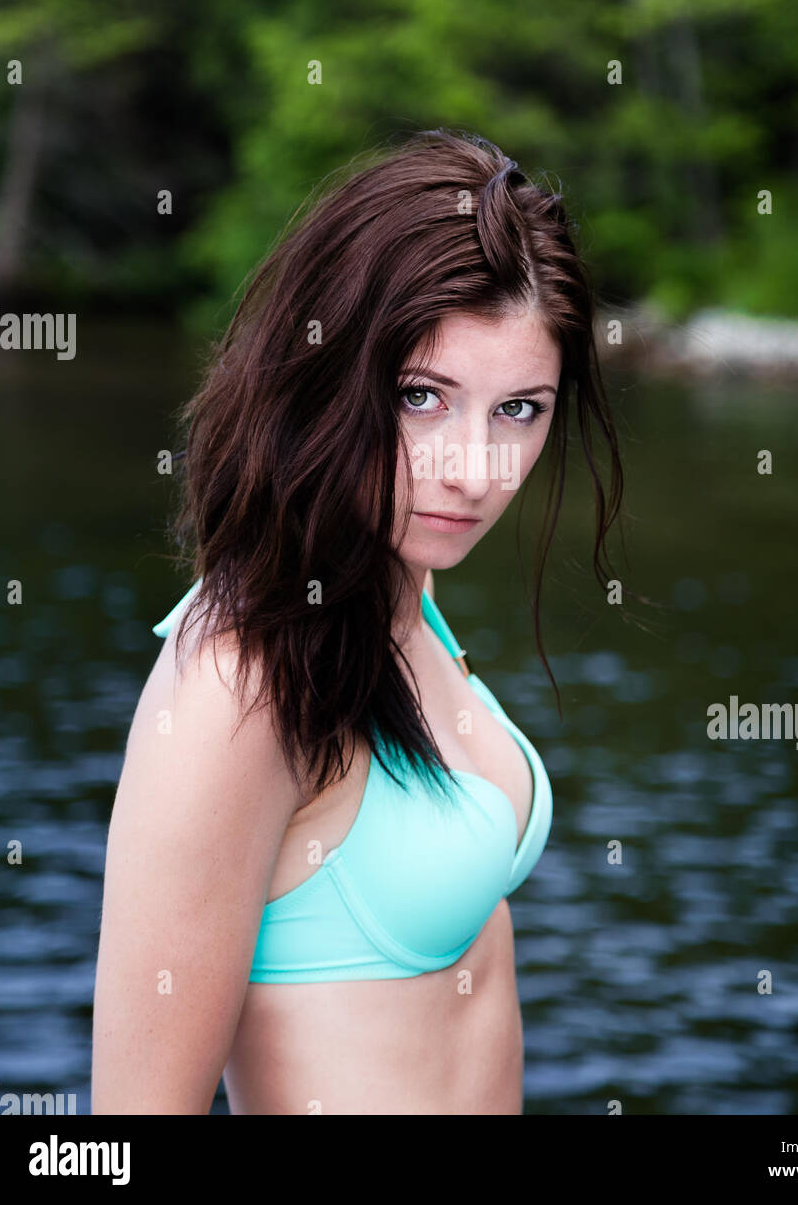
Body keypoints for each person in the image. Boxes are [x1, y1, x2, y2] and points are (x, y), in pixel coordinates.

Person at [91, 128, 624, 1114]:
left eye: (519, 409)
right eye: (420, 396)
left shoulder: (402, 587)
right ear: (324, 375)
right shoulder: (240, 681)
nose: (473, 470)